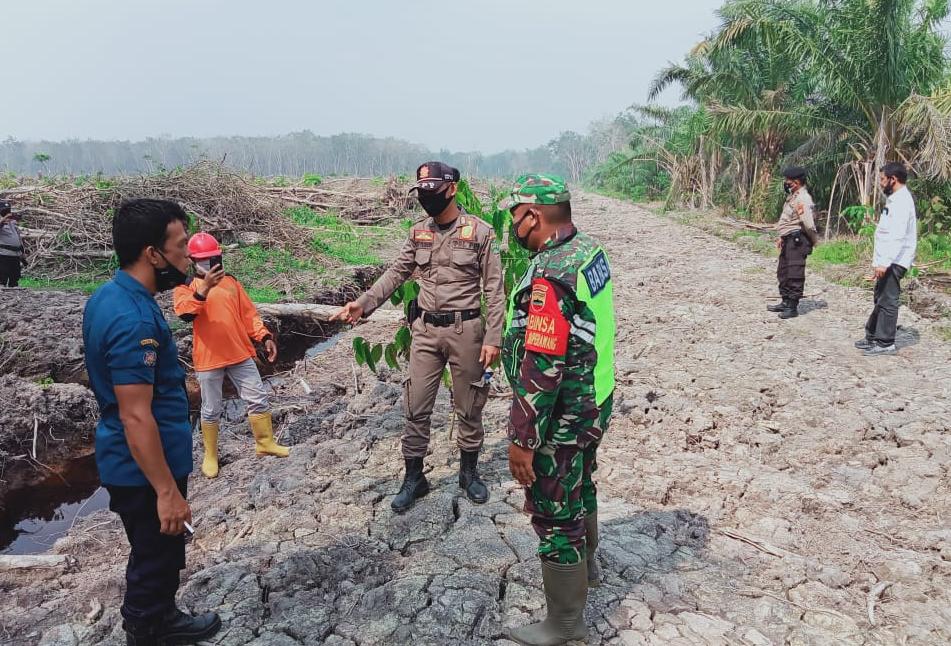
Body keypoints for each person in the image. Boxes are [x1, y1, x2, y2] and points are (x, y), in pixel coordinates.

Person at [82, 199, 220, 645]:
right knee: (155, 554)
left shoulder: (109, 295)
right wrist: (167, 492)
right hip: (143, 466)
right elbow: (135, 414)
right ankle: (147, 627)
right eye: (181, 245)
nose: (190, 255)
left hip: (135, 459)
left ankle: (162, 614)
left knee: (158, 549)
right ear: (152, 254)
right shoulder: (133, 318)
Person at [333, 161, 505, 513]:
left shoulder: (480, 233)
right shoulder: (418, 233)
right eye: (422, 193)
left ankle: (468, 473)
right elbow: (396, 274)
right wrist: (363, 304)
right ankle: (414, 478)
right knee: (415, 406)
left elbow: (494, 289)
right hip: (425, 332)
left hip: (467, 330)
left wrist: (493, 337)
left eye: (433, 191)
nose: (427, 198)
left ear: (452, 189)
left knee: (470, 404)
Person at [499, 174, 615, 646]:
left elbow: (543, 366)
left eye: (515, 218)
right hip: (594, 400)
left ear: (535, 216)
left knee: (554, 509)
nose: (512, 228)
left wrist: (523, 438)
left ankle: (565, 622)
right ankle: (587, 569)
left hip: (562, 415)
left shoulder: (551, 275)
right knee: (581, 481)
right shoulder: (588, 250)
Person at [173, 232, 287, 478]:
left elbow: (249, 315)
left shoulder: (232, 283)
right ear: (193, 261)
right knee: (211, 408)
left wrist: (264, 336)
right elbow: (185, 314)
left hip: (239, 353)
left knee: (257, 397)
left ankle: (264, 442)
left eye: (213, 259)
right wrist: (204, 288)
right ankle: (211, 455)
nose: (210, 264)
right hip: (209, 359)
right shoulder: (186, 288)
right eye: (204, 260)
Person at [856, 162, 917, 356]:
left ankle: (885, 343)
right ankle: (873, 336)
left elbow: (897, 236)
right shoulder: (895, 200)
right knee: (880, 297)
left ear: (893, 179)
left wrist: (884, 262)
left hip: (895, 260)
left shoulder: (902, 202)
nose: (880, 184)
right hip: (888, 259)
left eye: (882, 179)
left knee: (888, 300)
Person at [769, 166, 819, 319]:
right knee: (783, 271)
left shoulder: (803, 198)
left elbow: (809, 224)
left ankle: (792, 306)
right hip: (788, 238)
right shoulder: (793, 196)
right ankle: (785, 301)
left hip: (798, 240)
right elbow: (788, 220)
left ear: (796, 182)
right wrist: (782, 237)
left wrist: (813, 240)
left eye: (788, 181)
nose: (785, 183)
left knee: (794, 272)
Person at [0, 200, 26, 287]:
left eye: (8, 210)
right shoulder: (1, 222)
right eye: (5, 211)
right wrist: (3, 219)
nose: (7, 213)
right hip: (3, 254)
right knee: (2, 276)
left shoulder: (13, 223)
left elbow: (18, 238)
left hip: (15, 254)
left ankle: (14, 292)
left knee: (15, 277)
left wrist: (22, 252)